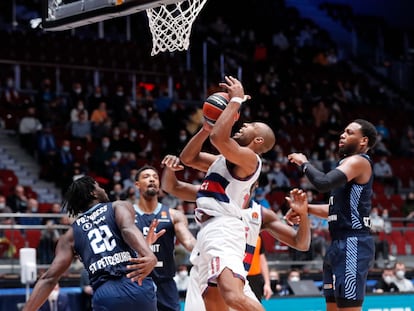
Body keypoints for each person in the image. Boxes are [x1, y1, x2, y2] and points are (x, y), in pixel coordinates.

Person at [151, 154, 310, 311]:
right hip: (205, 274)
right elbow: (172, 187)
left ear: (252, 184)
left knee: (235, 297)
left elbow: (301, 243)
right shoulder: (213, 196)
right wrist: (170, 169)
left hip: (236, 277)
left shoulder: (261, 214)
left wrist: (303, 215)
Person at [179, 76, 276, 311]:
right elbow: (187, 159)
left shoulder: (250, 160)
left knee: (233, 297)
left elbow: (218, 138)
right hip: (209, 230)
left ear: (258, 139)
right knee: (213, 303)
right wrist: (205, 128)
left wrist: (235, 100)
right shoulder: (224, 160)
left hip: (223, 229)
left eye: (249, 126)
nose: (243, 125)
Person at [21, 176, 158, 311]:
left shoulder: (70, 235)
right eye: (99, 186)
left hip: (105, 294)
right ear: (93, 193)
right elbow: (127, 229)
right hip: (135, 282)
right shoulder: (118, 206)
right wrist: (148, 252)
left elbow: (49, 279)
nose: (103, 189)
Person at [287, 119, 378, 311]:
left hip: (353, 243)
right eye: (343, 132)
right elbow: (335, 211)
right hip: (337, 243)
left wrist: (304, 163)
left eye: (349, 132)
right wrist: (305, 208)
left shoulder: (359, 161)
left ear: (363, 141)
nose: (342, 135)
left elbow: (322, 182)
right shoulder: (346, 167)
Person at [132, 165, 197, 311]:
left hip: (165, 283)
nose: (152, 180)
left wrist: (206, 249)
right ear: (137, 185)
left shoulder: (174, 215)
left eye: (155, 177)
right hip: (137, 282)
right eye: (146, 177)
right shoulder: (126, 215)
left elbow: (188, 241)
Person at [246, 235, 272, 302]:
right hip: (237, 277)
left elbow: (262, 261)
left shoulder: (258, 236)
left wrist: (267, 283)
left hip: (255, 279)